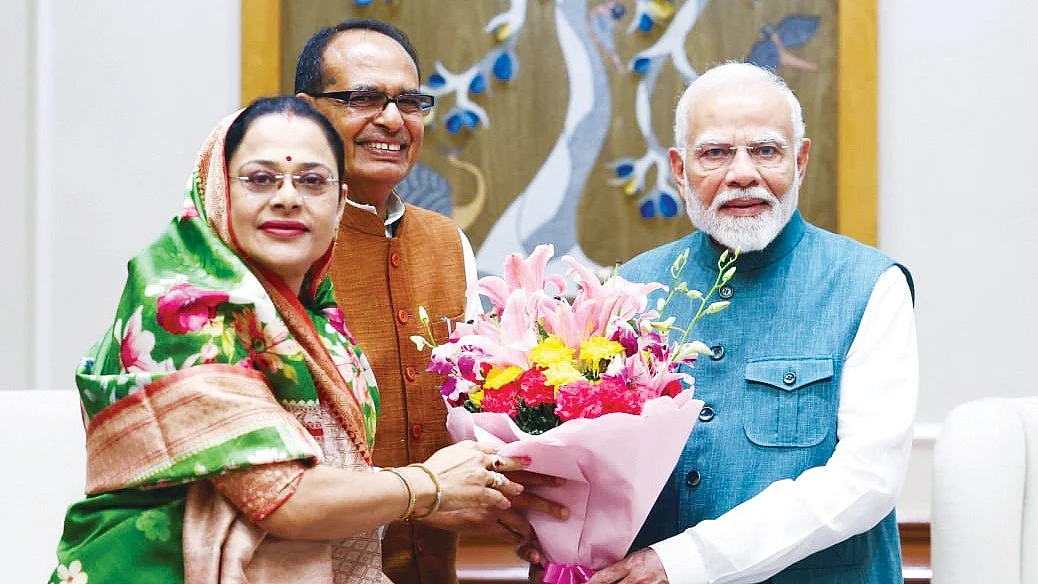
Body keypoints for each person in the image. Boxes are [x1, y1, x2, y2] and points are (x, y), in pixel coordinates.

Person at [50, 96, 526, 584]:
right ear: (219, 190)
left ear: (340, 204)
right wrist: (427, 487)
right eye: (260, 179)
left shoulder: (317, 319)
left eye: (312, 181)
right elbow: (279, 496)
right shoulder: (184, 308)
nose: (287, 197)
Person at [590, 63, 919, 583]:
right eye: (715, 153)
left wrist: (685, 563)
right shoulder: (630, 291)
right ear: (679, 168)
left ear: (801, 160)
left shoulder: (869, 285)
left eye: (766, 150)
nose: (742, 172)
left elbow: (867, 480)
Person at [295, 19, 566, 584]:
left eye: (409, 101)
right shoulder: (279, 245)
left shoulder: (447, 242)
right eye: (363, 98)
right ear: (307, 113)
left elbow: (472, 413)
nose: (392, 120)